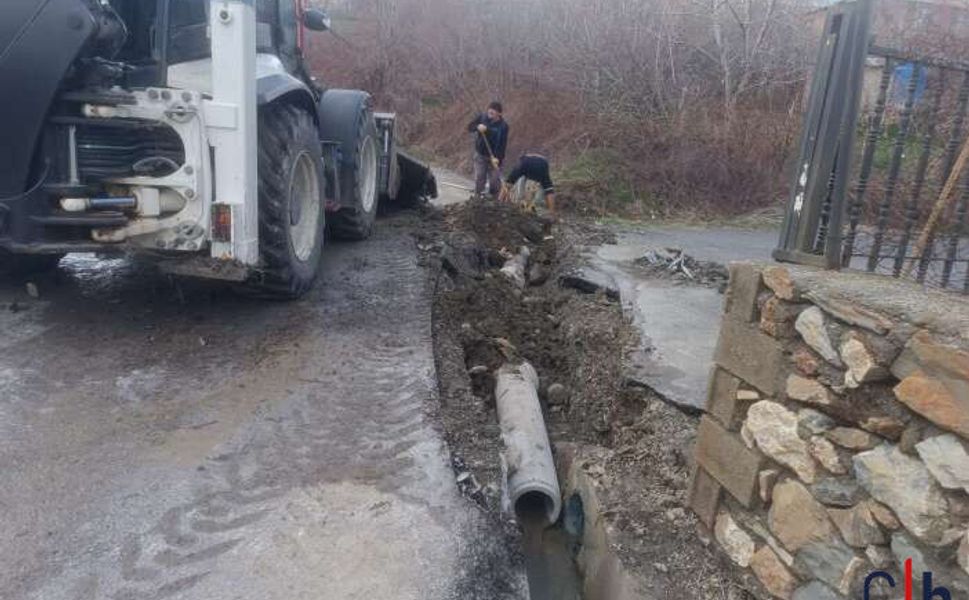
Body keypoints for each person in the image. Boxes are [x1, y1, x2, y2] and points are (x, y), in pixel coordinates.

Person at [466, 101, 509, 198]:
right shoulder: (482, 117)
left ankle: (493, 201)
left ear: (499, 114)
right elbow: (470, 127)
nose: (490, 113)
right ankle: (477, 198)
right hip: (480, 155)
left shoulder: (503, 126)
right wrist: (477, 127)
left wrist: (498, 158)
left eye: (493, 112)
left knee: (494, 182)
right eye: (489, 111)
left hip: (495, 157)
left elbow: (502, 144)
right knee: (480, 177)